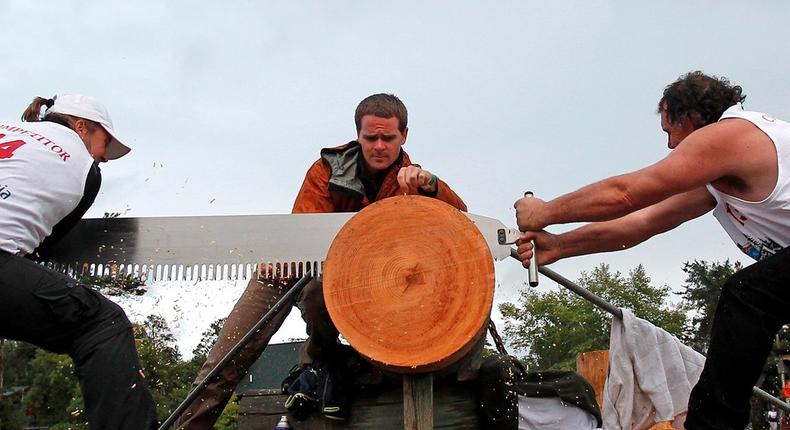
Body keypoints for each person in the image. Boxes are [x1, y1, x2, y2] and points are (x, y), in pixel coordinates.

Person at [513, 71, 790, 430]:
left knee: (746, 296)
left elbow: (626, 194)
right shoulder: (718, 178)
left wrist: (547, 211)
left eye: (669, 132)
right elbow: (642, 223)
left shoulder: (731, 134)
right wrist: (562, 245)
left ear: (688, 117)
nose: (671, 147)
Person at [176, 93, 467, 429]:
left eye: (388, 138)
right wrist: (289, 258)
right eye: (370, 137)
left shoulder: (413, 181)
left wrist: (430, 186)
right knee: (228, 355)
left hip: (360, 286)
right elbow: (305, 237)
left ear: (404, 136)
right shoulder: (326, 170)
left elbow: (462, 222)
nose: (379, 146)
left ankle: (320, 357)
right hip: (292, 270)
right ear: (358, 135)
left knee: (320, 294)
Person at [0, 95, 157, 429]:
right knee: (102, 323)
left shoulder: (7, 128)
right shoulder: (87, 172)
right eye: (104, 144)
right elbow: (43, 246)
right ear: (81, 126)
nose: (104, 158)